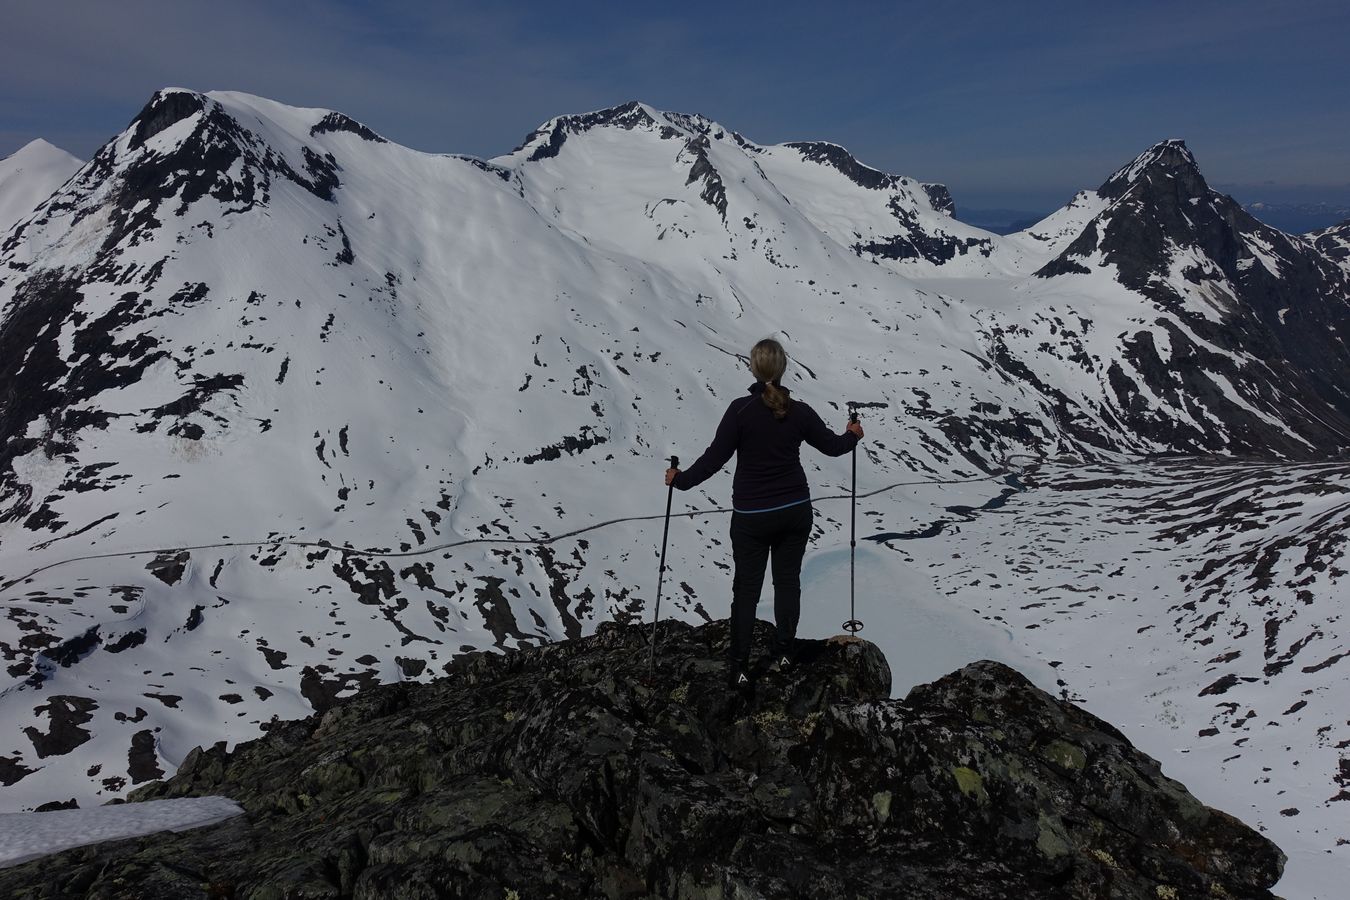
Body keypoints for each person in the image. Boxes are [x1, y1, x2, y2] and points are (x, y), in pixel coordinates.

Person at [665, 338, 863, 690]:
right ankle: (785, 652)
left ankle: (739, 668)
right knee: (787, 582)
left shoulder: (740, 411)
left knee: (746, 590)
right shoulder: (799, 411)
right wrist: (853, 435)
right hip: (794, 511)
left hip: (751, 517)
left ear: (753, 369)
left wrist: (680, 481)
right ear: (783, 368)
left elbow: (714, 459)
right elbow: (834, 447)